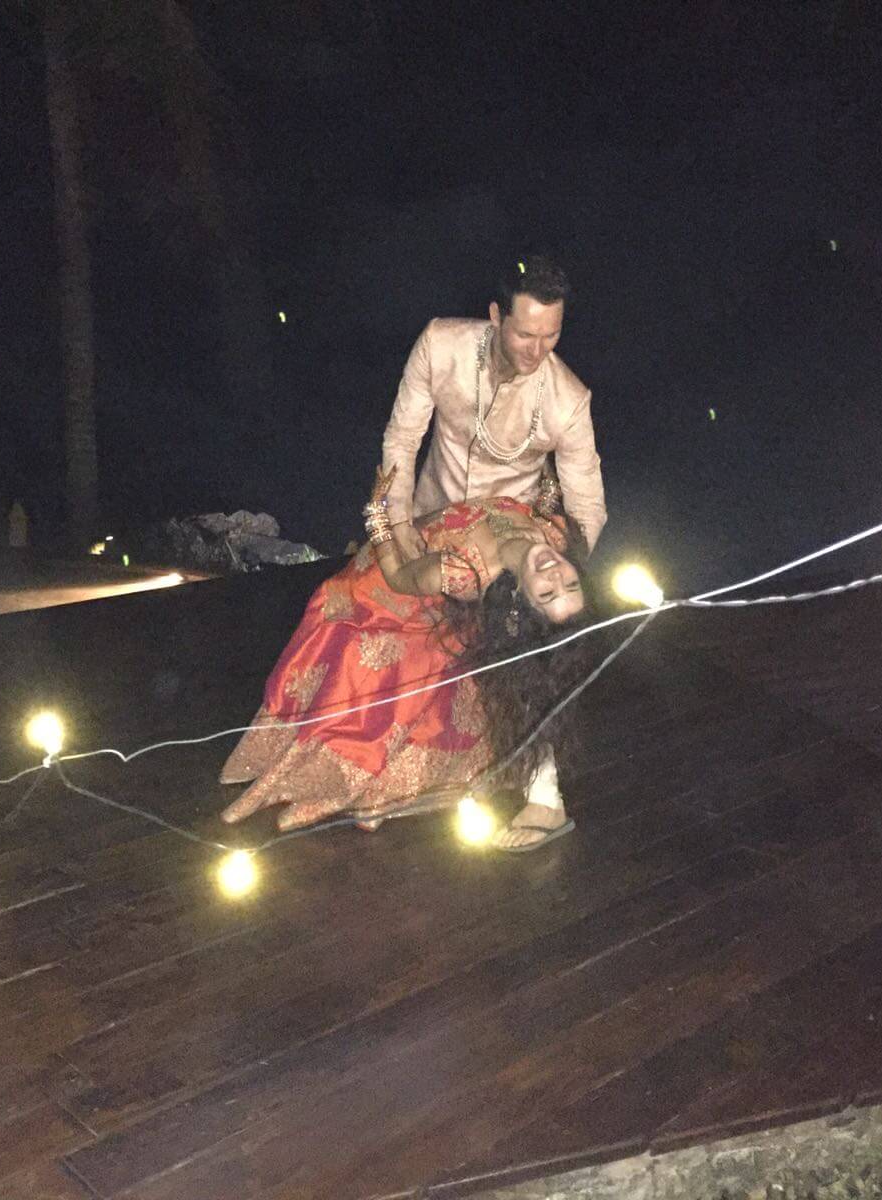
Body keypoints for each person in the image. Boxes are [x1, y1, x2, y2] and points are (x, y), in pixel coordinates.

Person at [219, 465, 591, 851]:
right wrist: (546, 466)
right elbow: (543, 503)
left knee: (365, 657)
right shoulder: (552, 536)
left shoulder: (462, 572)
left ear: (520, 596)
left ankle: (352, 777)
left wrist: (376, 512)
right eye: (571, 584)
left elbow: (397, 577)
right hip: (420, 549)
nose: (555, 577)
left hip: (391, 593)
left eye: (547, 594)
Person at [380, 255, 607, 561]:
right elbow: (403, 437)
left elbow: (587, 506)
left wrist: (562, 573)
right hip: (426, 528)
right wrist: (398, 521)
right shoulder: (440, 345)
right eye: (525, 335)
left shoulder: (569, 401)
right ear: (496, 315)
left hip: (507, 554)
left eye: (551, 336)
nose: (537, 351)